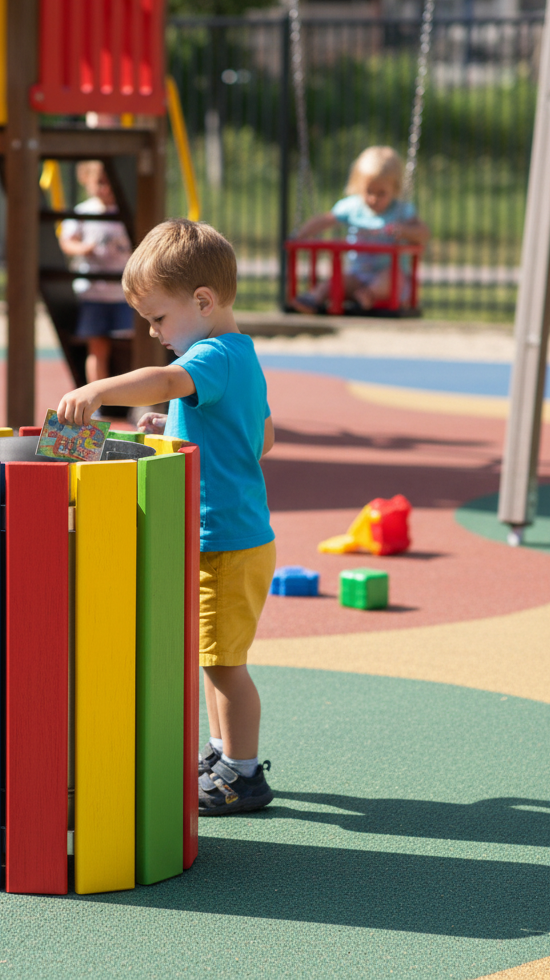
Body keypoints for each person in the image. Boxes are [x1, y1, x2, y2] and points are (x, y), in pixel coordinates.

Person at [56, 218, 277, 816]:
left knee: (225, 665)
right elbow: (263, 437)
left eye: (157, 319)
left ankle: (244, 774)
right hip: (227, 538)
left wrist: (99, 391)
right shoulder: (239, 357)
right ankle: (222, 753)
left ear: (203, 302)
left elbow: (166, 378)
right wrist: (176, 422)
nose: (153, 333)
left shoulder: (212, 355)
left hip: (227, 543)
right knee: (212, 655)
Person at [291, 145, 430, 313]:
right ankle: (314, 298)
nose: (373, 198)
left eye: (381, 193)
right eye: (368, 191)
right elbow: (325, 220)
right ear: (358, 185)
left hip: (388, 277)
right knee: (338, 281)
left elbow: (423, 233)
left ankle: (368, 295)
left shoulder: (401, 211)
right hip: (357, 275)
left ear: (395, 188)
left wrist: (404, 230)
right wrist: (300, 234)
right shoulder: (352, 207)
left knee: (394, 277)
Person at [59, 161, 134, 382]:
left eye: (109, 182)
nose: (106, 188)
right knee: (97, 347)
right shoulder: (84, 211)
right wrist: (84, 249)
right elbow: (67, 241)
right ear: (87, 182)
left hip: (123, 293)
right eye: (100, 182)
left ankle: (127, 394)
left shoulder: (126, 209)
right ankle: (97, 394)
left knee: (128, 346)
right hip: (93, 292)